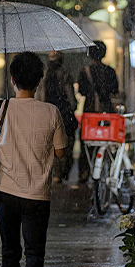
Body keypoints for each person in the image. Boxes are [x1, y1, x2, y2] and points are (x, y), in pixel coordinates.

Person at [0, 52, 67, 267]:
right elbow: (61, 152)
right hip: (37, 196)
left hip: (5, 192)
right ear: (40, 80)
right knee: (34, 255)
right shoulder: (51, 111)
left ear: (12, 79)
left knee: (9, 253)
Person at [76, 40, 119, 181]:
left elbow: (81, 91)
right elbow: (115, 90)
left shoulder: (85, 71)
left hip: (90, 112)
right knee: (105, 140)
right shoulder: (110, 71)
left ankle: (85, 172)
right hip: (106, 113)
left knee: (87, 142)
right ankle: (105, 169)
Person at [41, 51, 77, 181]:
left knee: (50, 145)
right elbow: (72, 100)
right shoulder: (65, 76)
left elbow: (40, 97)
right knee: (66, 146)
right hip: (64, 117)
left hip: (47, 116)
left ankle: (55, 173)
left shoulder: (43, 76)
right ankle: (61, 172)